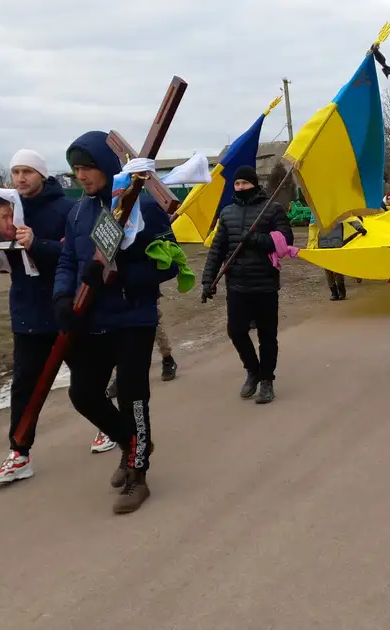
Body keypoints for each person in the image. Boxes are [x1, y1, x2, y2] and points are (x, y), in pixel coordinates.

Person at [53, 131, 179, 514]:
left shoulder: (140, 207)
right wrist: (61, 296)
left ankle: (138, 475)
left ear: (107, 166)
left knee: (132, 394)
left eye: (87, 167)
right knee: (84, 393)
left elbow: (169, 264)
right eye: (76, 169)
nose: (81, 175)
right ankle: (131, 442)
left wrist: (119, 274)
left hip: (133, 318)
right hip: (92, 319)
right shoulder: (77, 212)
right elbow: (68, 262)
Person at [0, 149, 75, 484]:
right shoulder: (4, 210)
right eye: (16, 172)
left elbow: (75, 255)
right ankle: (19, 454)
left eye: (28, 172)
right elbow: (9, 267)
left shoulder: (66, 209)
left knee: (87, 381)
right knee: (24, 385)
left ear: (42, 175)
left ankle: (108, 428)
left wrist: (38, 243)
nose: (21, 178)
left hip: (66, 308)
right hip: (26, 311)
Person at [201, 165, 293, 404]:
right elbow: (217, 249)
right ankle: (253, 370)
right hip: (237, 285)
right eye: (237, 184)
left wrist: (256, 240)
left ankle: (266, 381)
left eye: (245, 183)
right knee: (236, 330)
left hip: (265, 284)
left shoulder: (272, 209)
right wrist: (208, 280)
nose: (241, 187)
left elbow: (285, 241)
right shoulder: (227, 213)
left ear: (254, 184)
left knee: (267, 335)